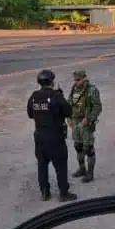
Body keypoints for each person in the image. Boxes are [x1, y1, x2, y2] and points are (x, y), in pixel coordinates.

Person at [27, 69, 77, 202]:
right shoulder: (56, 96)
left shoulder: (34, 96)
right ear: (52, 82)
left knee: (42, 165)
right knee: (60, 165)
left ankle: (45, 191)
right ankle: (63, 193)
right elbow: (68, 111)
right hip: (55, 136)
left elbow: (30, 114)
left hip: (39, 136)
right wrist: (60, 96)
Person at [68, 69, 102, 183]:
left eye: (78, 79)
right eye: (75, 79)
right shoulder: (74, 89)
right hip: (75, 122)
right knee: (78, 146)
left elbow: (97, 107)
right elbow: (69, 104)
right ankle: (82, 169)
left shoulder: (92, 90)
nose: (76, 82)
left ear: (84, 78)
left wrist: (89, 119)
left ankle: (90, 173)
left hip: (85, 123)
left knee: (88, 149)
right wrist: (69, 119)